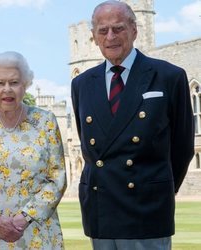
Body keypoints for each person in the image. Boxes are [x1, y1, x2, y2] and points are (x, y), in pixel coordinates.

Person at [71, 1, 194, 249]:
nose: (111, 37)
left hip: (146, 209)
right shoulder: (82, 83)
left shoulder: (169, 76)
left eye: (118, 28)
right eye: (103, 31)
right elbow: (89, 147)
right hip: (101, 210)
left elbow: (182, 147)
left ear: (134, 30)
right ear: (93, 37)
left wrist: (156, 188)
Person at [0, 51, 67, 249]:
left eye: (14, 82)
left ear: (25, 85)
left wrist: (25, 217)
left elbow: (58, 179)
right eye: (0, 83)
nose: (7, 89)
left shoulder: (45, 121)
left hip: (37, 232)